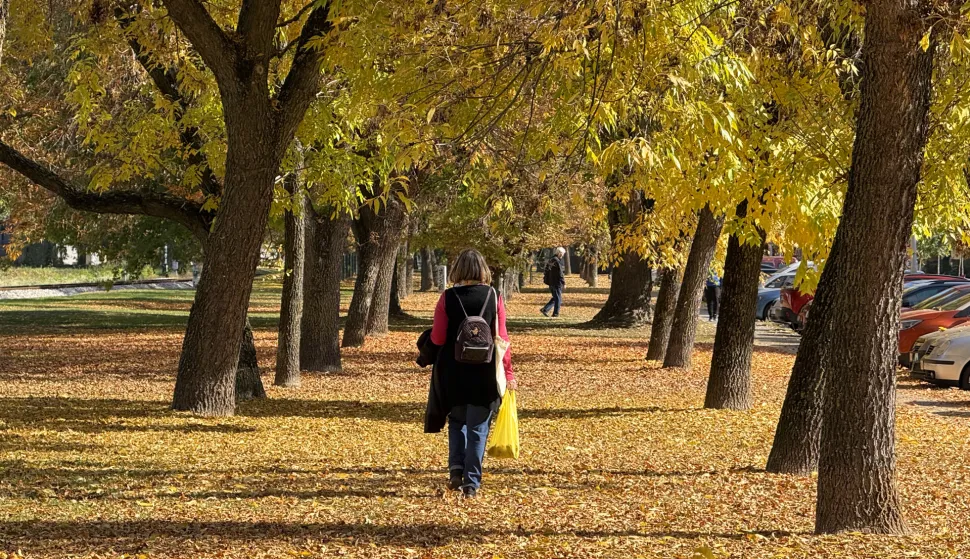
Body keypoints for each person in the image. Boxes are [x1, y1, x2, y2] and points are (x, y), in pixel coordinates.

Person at [425, 249, 516, 498]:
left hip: (453, 373)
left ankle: (456, 470)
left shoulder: (447, 298)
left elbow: (438, 337)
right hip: (485, 373)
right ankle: (471, 484)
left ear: (458, 270)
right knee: (478, 427)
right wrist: (508, 373)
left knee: (457, 422)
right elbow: (502, 338)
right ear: (482, 269)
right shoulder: (493, 296)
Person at [541, 247, 566, 317]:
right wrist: (563, 283)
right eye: (562, 253)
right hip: (557, 282)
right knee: (558, 299)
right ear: (559, 253)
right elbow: (560, 273)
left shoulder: (551, 260)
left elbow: (546, 271)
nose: (563, 255)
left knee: (556, 297)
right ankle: (555, 314)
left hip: (551, 282)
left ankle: (545, 309)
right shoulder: (557, 261)